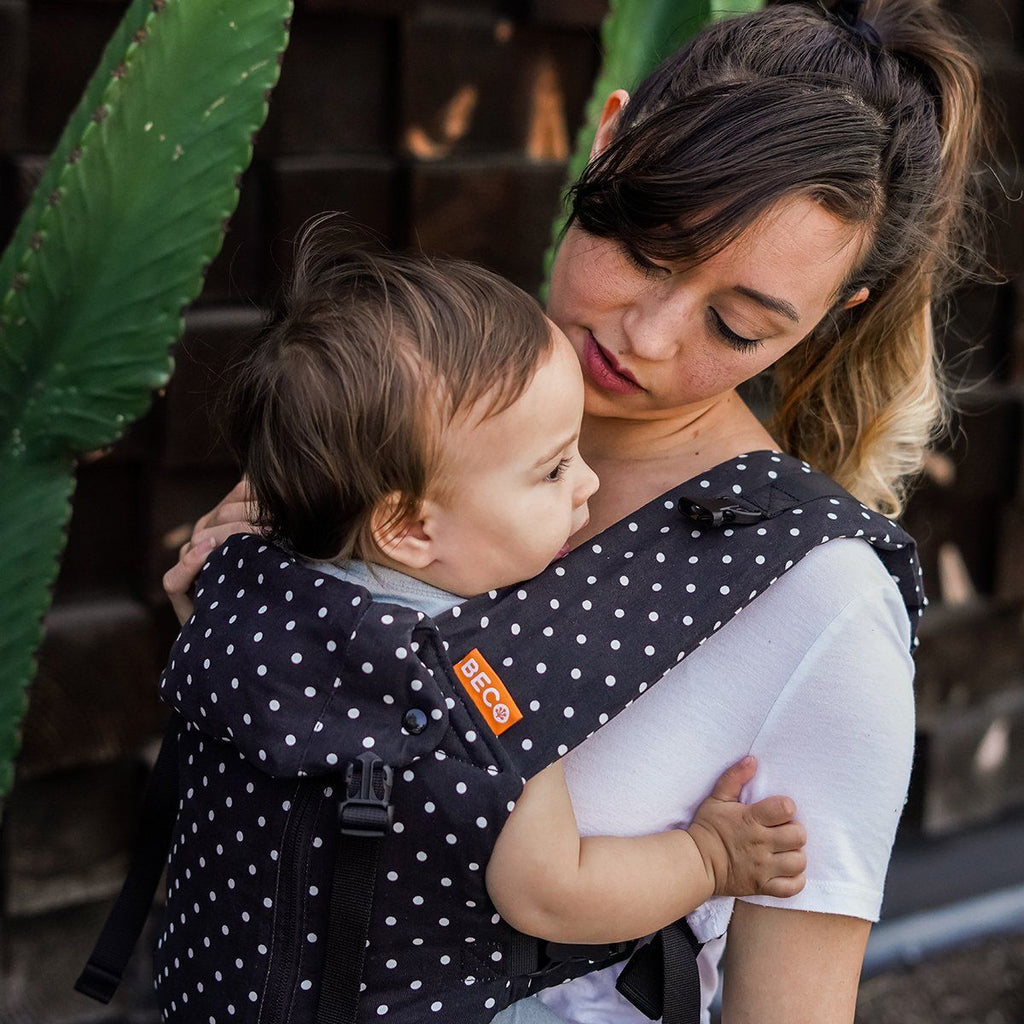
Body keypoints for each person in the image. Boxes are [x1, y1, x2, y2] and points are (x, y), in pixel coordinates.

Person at [164, 1, 982, 1020]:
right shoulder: (406, 404)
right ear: (607, 142)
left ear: (826, 318)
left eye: (733, 325)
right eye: (644, 247)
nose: (646, 334)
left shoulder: (820, 604)